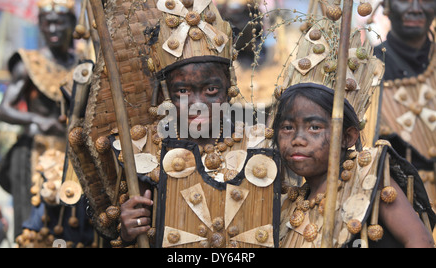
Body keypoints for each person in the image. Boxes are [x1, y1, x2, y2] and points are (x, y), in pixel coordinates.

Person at [104, 0, 284, 248]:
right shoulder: (141, 151)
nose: (196, 104)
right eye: (183, 91)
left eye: (210, 90)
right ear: (167, 94)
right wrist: (127, 233)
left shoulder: (260, 145)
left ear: (228, 89)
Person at [274, 83, 435, 248]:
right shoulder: (290, 206)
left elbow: (420, 241)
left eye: (314, 128)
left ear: (348, 137)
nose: (297, 140)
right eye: (287, 128)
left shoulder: (367, 178)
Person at [0, 0, 94, 247]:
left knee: (75, 228)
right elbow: (3, 109)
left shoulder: (81, 63)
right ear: (39, 25)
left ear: (72, 25)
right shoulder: (28, 63)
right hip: (36, 155)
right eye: (47, 23)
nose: (53, 29)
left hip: (73, 156)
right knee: (34, 230)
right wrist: (38, 119)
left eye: (59, 23)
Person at [372, 0, 436, 209]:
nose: (416, 9)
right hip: (397, 205)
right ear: (387, 7)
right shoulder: (368, 67)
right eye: (405, 0)